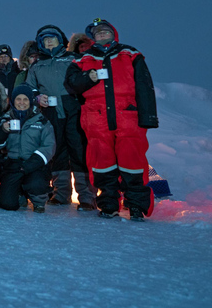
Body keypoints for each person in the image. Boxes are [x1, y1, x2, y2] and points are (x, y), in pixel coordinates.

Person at [64, 19, 159, 221]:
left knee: (132, 163)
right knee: (101, 164)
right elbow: (70, 84)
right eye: (97, 34)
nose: (102, 36)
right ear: (92, 38)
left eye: (105, 32)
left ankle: (136, 206)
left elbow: (144, 86)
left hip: (128, 117)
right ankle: (108, 204)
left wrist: (148, 116)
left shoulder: (130, 54)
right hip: (96, 120)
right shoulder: (83, 59)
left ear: (113, 34)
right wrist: (88, 78)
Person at [26, 25, 96, 210]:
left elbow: (85, 82)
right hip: (50, 111)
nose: (49, 41)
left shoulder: (74, 59)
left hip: (74, 108)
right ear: (40, 43)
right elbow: (29, 89)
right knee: (56, 151)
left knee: (79, 150)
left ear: (60, 41)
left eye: (53, 38)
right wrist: (37, 97)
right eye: (45, 39)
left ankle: (87, 196)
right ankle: (61, 193)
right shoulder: (36, 65)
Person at [0, 84, 55, 213]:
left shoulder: (41, 120)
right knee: (6, 204)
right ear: (13, 101)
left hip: (35, 164)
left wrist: (30, 164)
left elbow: (49, 146)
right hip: (13, 165)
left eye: (25, 99)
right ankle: (20, 194)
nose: (22, 103)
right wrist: (3, 130)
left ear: (30, 101)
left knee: (36, 183)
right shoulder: (5, 118)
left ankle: (38, 201)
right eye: (18, 99)